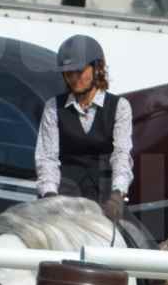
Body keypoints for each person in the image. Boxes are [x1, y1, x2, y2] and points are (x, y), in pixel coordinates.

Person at [34, 34, 133, 220]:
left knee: (140, 239)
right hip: (64, 196)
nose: (73, 78)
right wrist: (49, 196)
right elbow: (47, 158)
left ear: (98, 68)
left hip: (106, 198)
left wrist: (118, 194)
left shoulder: (120, 107)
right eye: (68, 73)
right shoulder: (53, 107)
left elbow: (121, 154)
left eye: (79, 71)